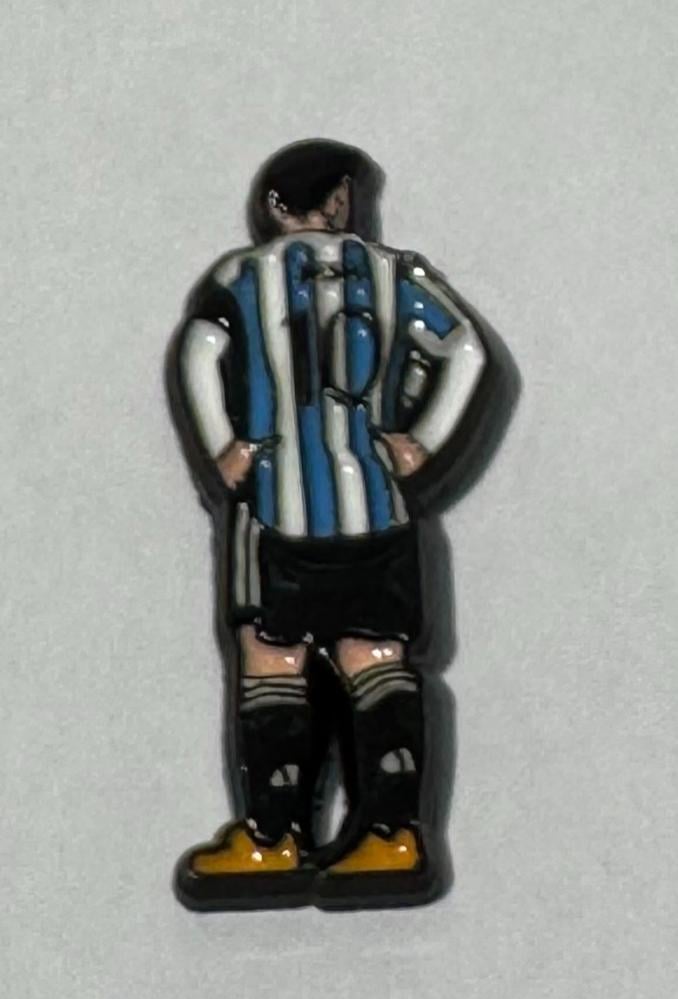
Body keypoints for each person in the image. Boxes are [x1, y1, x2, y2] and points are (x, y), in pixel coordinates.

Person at [170, 139, 487, 910]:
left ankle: (274, 836)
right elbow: (467, 350)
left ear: (276, 207)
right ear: (342, 201)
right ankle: (395, 834)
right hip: (376, 505)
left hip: (279, 508)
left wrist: (223, 447)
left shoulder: (241, 278)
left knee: (271, 657)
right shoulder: (394, 274)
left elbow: (198, 352)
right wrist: (423, 440)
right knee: (375, 654)